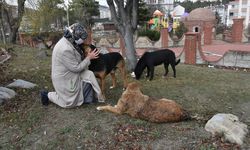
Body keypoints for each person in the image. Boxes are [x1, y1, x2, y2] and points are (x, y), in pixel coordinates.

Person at [41, 23, 105, 108]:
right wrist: (89, 58)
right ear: (75, 36)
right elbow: (76, 68)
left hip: (70, 72)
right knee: (69, 103)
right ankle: (47, 95)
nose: (83, 40)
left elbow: (76, 60)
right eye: (82, 39)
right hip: (64, 77)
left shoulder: (69, 41)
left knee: (89, 74)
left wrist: (86, 56)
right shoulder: (65, 49)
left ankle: (90, 98)